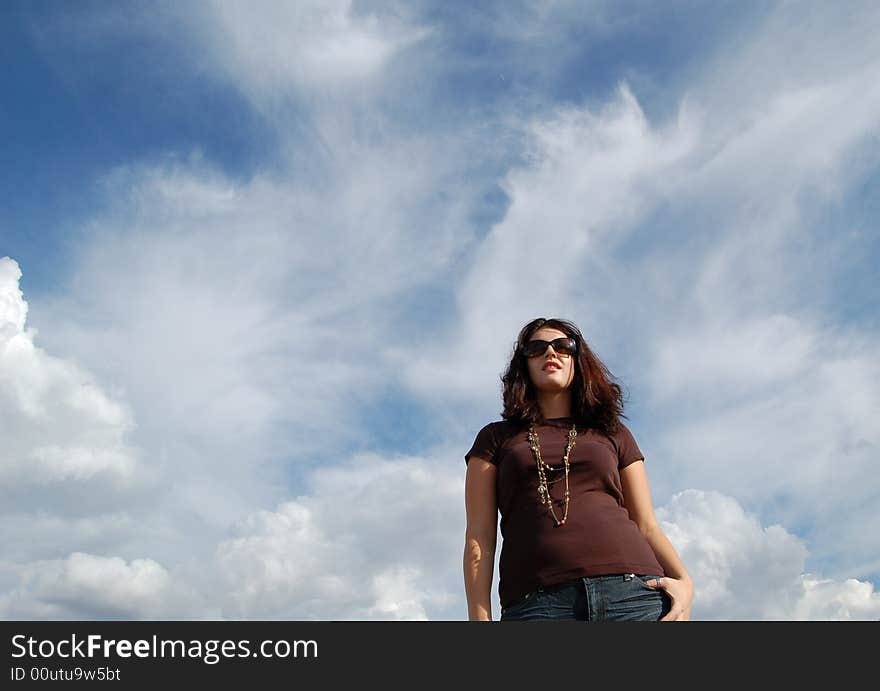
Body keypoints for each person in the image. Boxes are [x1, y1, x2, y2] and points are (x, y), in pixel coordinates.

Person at [463, 317, 693, 621]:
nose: (551, 353)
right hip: (538, 605)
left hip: (633, 595)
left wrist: (685, 583)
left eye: (563, 346)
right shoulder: (495, 438)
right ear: (524, 364)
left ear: (577, 360)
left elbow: (646, 523)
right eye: (537, 348)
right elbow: (479, 536)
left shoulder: (613, 432)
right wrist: (479, 618)